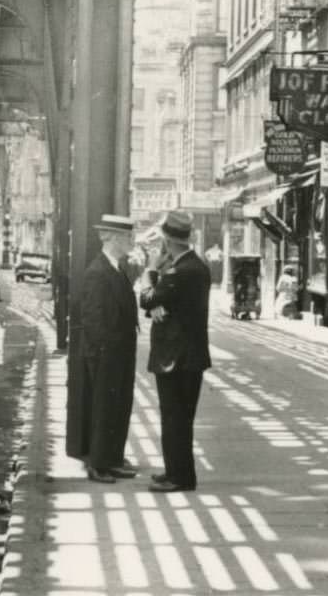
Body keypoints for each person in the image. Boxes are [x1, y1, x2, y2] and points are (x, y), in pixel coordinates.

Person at [139, 210, 212, 493]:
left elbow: (146, 298)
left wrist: (150, 271)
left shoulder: (180, 272)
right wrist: (159, 304)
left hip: (176, 359)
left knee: (174, 419)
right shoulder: (197, 267)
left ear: (167, 242)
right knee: (179, 418)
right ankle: (177, 471)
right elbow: (164, 304)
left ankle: (179, 477)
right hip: (188, 357)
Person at [78, 214, 139, 483]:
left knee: (119, 406)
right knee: (103, 408)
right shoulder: (97, 272)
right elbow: (92, 319)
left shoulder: (115, 268)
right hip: (106, 355)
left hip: (120, 353)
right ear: (112, 238)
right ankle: (98, 464)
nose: (131, 241)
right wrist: (103, 354)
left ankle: (113, 458)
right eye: (127, 237)